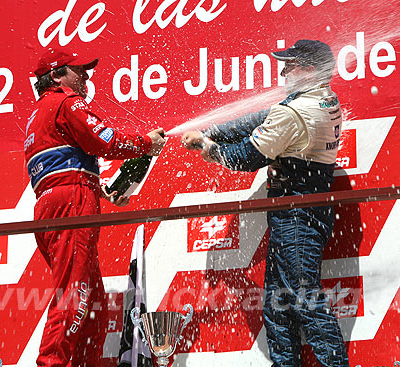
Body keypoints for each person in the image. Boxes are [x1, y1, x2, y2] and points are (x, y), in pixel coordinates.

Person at [181, 40, 349, 367]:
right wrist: (211, 128)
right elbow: (261, 117)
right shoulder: (321, 97)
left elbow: (245, 158)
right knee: (276, 303)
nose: (283, 71)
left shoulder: (296, 112)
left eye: (290, 65)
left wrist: (206, 144)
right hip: (303, 208)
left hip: (296, 214)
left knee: (303, 301)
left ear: (310, 70)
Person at [24, 48, 165, 367]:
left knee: (93, 303)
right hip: (70, 204)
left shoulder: (38, 114)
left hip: (52, 204)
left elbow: (56, 169)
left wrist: (99, 189)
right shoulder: (66, 102)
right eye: (78, 70)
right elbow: (103, 140)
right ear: (57, 76)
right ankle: (51, 363)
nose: (85, 75)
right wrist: (146, 144)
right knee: (75, 297)